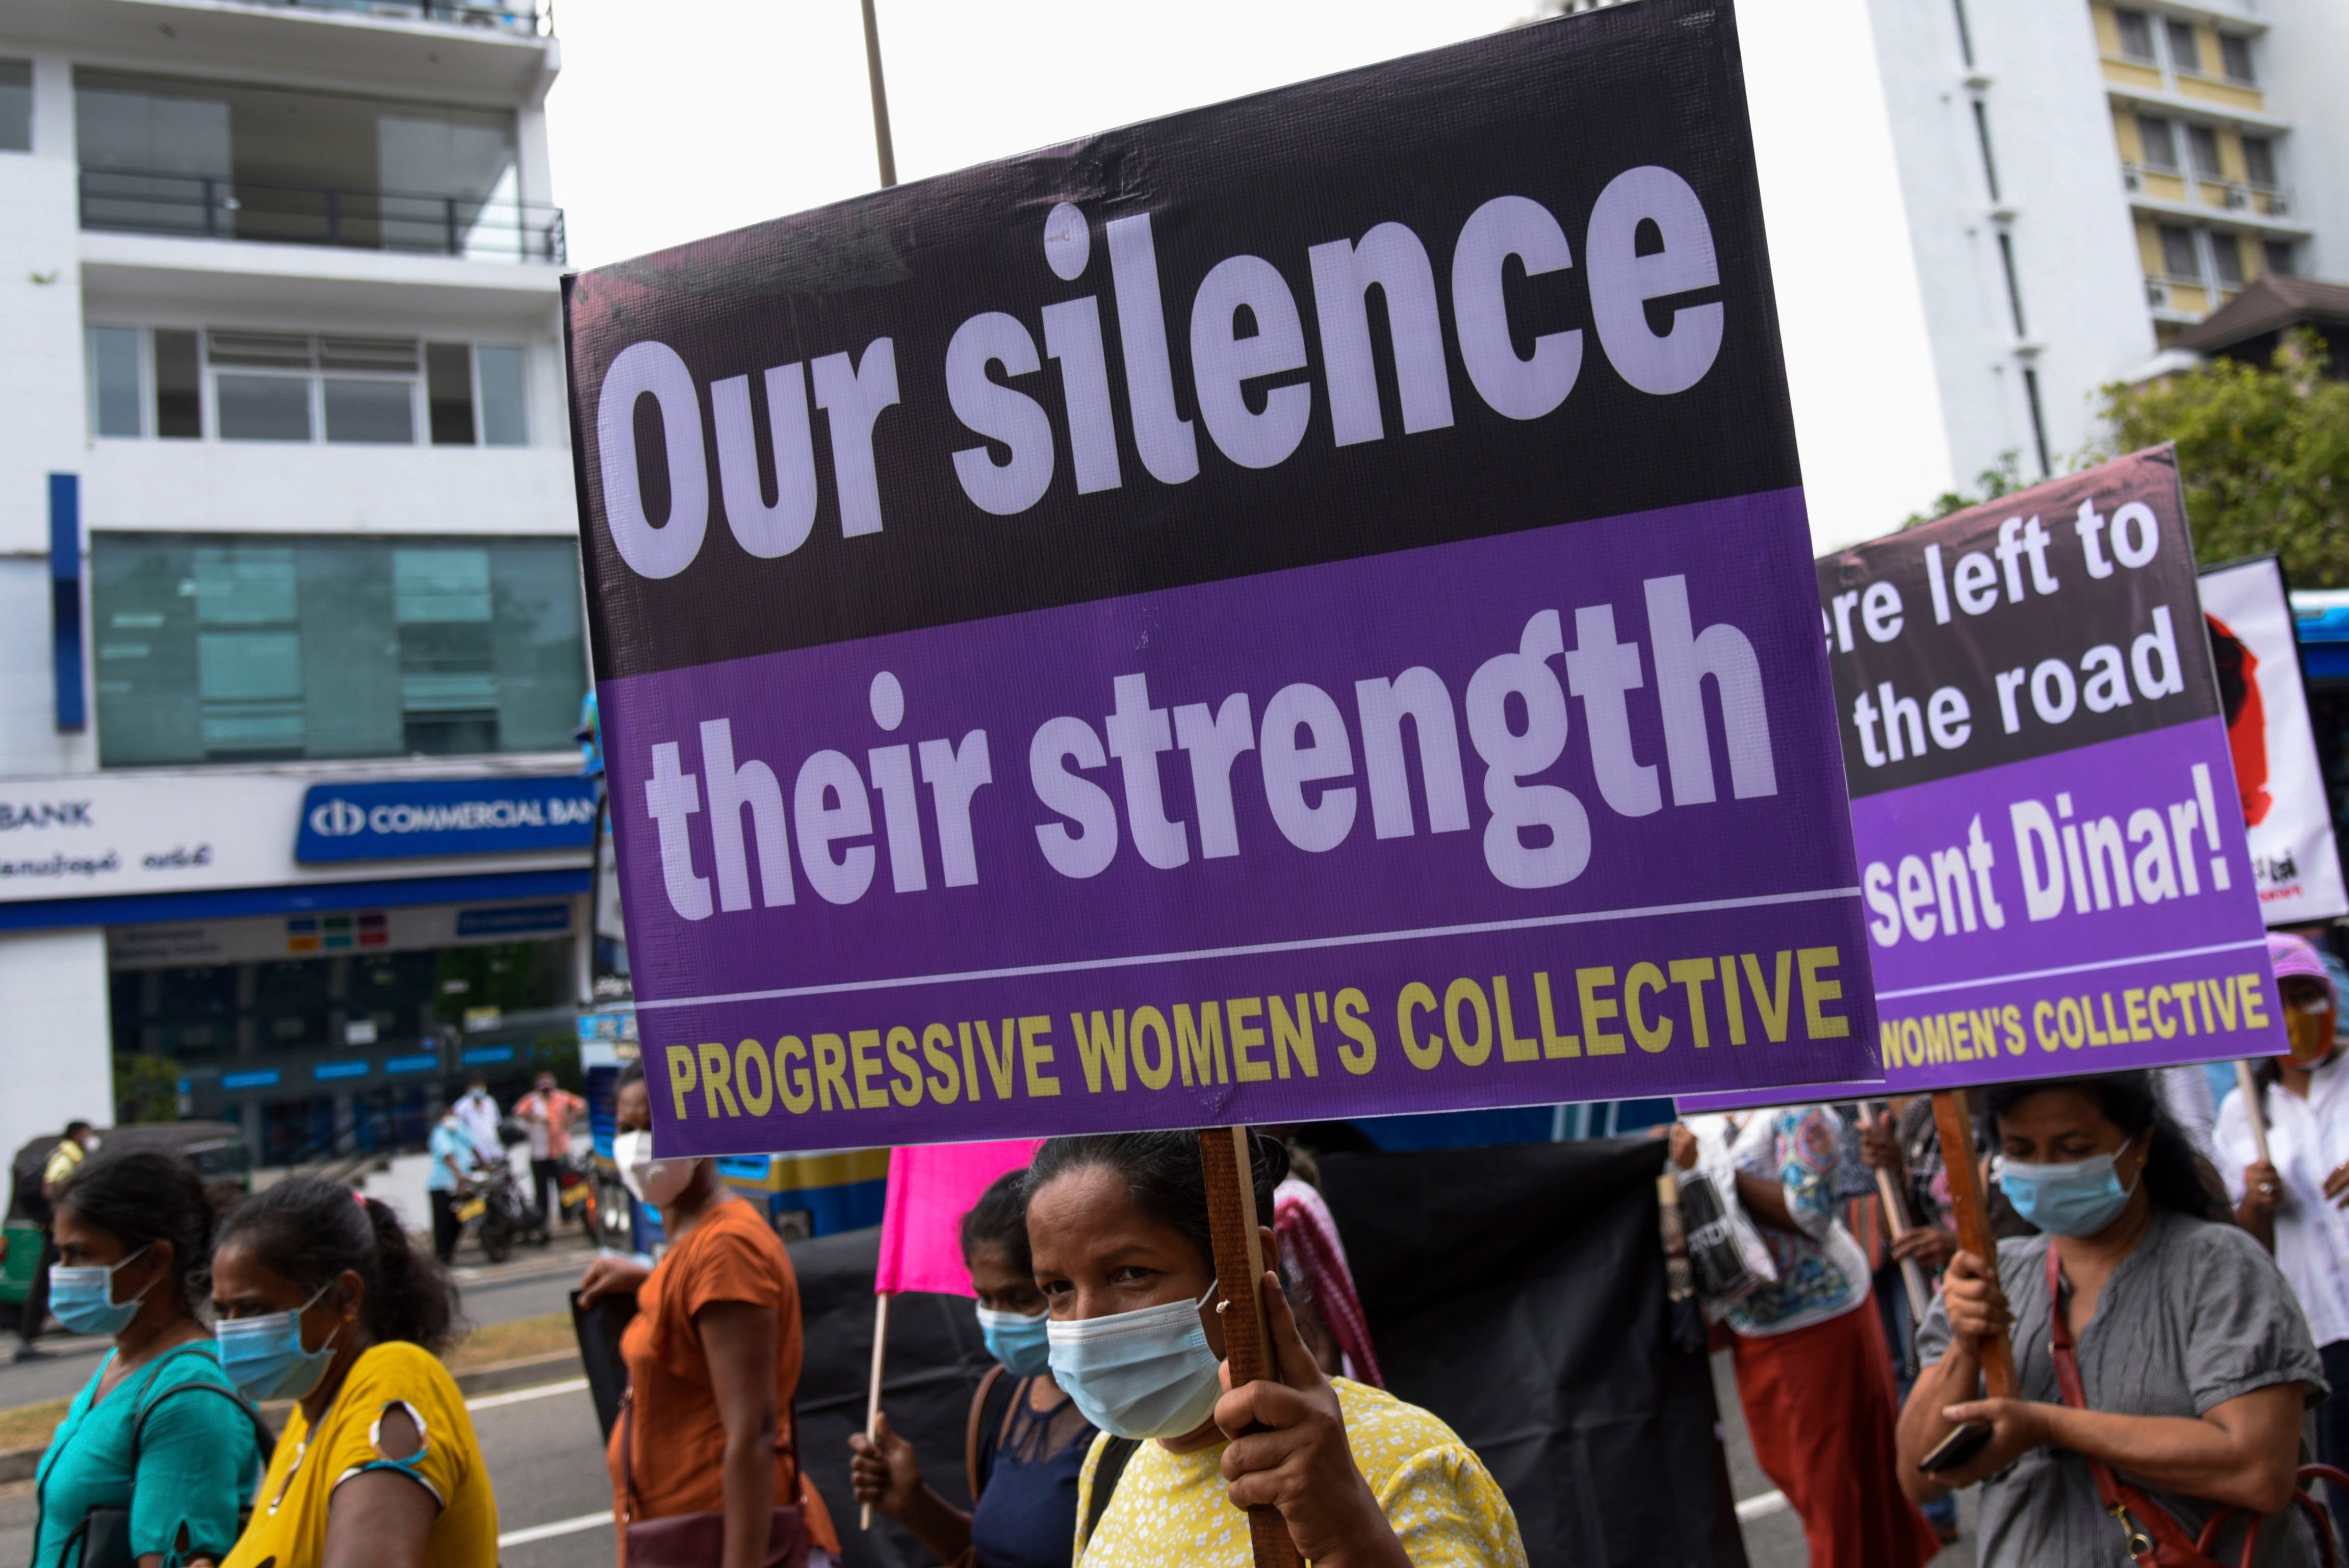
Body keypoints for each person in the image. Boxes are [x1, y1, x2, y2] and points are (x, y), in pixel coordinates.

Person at [1024, 1129, 1525, 1567]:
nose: (1085, 1321)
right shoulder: (1111, 1459)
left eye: (1131, 1274)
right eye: (1057, 1288)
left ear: (1243, 1263)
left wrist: (1346, 1538)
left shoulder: (1400, 1462)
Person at [1898, 1070, 2328, 1566]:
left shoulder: (2218, 1266)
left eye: (2073, 1148)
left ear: (2138, 1144)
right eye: (2020, 1150)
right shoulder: (1990, 1277)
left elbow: (2258, 1471)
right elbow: (1918, 1477)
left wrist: (2048, 1427)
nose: (2046, 1168)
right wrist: (1964, 1343)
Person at [578, 1061, 841, 1568]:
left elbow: (753, 1432)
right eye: (628, 1129)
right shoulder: (691, 1247)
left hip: (717, 1537)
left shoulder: (726, 1250)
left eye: (651, 1129)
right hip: (679, 1536)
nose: (637, 1146)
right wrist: (649, 1279)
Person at [1669, 1107, 1940, 1568]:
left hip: (1820, 1322)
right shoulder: (1699, 1113)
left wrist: (1710, 1164)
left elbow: (1808, 1212)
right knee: (1789, 1468)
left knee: (1830, 1482)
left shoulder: (1798, 1111)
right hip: (1752, 1324)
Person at [216, 1177, 497, 1568]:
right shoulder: (308, 1417)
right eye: (222, 1312)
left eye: (254, 1310)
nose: (232, 1331)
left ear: (346, 1297)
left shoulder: (394, 1379)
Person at [850, 1168, 1098, 1567]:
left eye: (1019, 1298)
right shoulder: (1001, 1396)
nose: (999, 1319)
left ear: (1061, 1284)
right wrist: (913, 1504)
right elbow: (993, 1552)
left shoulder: (1127, 1412)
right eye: (985, 1299)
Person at [30, 1150, 265, 1568]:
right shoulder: (121, 1362)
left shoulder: (189, 1396)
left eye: (81, 1254)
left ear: (156, 1260)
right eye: (60, 1253)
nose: (62, 1271)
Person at [2218, 932, 2349, 1542]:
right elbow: (2247, 1247)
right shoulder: (2240, 1115)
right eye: (2280, 1001)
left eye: (2307, 996)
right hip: (2323, 1331)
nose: (2297, 1016)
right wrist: (2255, 1202)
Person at [8, 1121, 92, 1362]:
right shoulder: (66, 1157)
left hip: (58, 1229)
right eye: (87, 1133)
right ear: (78, 1134)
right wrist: (66, 1217)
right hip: (58, 1231)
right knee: (44, 1283)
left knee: (57, 1279)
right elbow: (51, 1187)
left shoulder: (64, 1154)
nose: (90, 1138)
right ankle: (26, 1341)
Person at [512, 1071, 587, 1223]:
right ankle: (543, 1221)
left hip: (561, 1151)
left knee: (566, 1187)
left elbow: (582, 1106)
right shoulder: (532, 1101)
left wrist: (570, 1118)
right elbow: (518, 1112)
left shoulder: (563, 1097)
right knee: (542, 1191)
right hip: (540, 1154)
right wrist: (533, 1118)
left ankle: (568, 1218)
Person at [426, 1103, 479, 1265]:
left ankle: (448, 1254)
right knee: (443, 1223)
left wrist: (487, 1166)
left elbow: (475, 1147)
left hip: (459, 1185)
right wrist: (459, 1176)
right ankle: (442, 1257)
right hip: (442, 1185)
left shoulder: (461, 1130)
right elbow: (449, 1157)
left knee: (459, 1221)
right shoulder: (440, 1134)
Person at [452, 1076, 502, 1165]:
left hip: (495, 1153)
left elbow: (496, 1125)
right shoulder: (461, 1107)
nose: (479, 1089)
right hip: (474, 1158)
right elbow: (457, 1132)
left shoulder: (490, 1102)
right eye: (476, 1086)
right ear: (469, 1088)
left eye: (481, 1086)